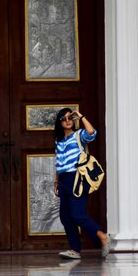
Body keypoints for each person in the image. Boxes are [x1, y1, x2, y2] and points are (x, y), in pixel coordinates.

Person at [53, 108, 109, 259]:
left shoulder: (79, 135)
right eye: (64, 118)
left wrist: (81, 116)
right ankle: (75, 249)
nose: (68, 120)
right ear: (60, 122)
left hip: (77, 177)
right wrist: (57, 181)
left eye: (70, 117)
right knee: (65, 216)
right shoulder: (58, 140)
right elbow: (59, 161)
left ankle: (102, 236)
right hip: (64, 179)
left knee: (78, 214)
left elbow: (92, 132)